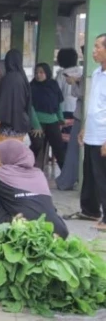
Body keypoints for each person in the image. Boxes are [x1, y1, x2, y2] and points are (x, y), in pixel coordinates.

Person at [66, 34, 106, 228]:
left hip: (103, 136)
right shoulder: (98, 73)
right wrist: (84, 128)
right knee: (90, 175)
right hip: (92, 132)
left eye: (98, 47)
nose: (93, 51)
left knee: (103, 177)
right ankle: (90, 210)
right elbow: (95, 106)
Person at [0, 49, 35, 169]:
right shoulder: (22, 77)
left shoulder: (10, 79)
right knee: (11, 159)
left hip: (9, 127)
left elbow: (5, 102)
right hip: (19, 125)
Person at [29, 63, 65, 169]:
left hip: (52, 120)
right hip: (37, 121)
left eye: (41, 72)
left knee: (59, 147)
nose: (38, 75)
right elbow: (29, 107)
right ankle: (26, 168)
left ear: (47, 73)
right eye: (36, 73)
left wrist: (61, 118)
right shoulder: (31, 87)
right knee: (37, 145)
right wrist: (36, 125)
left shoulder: (53, 85)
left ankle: (65, 176)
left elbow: (57, 103)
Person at [56, 72, 83, 190]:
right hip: (78, 115)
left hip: (81, 116)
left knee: (74, 150)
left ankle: (67, 181)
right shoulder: (95, 73)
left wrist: (75, 81)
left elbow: (80, 93)